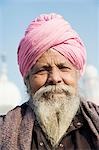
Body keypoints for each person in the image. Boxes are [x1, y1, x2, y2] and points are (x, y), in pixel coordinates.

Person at [0, 13, 99, 150]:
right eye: (42, 70)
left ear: (77, 74)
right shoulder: (4, 130)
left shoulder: (95, 125)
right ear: (27, 79)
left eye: (63, 68)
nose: (55, 78)